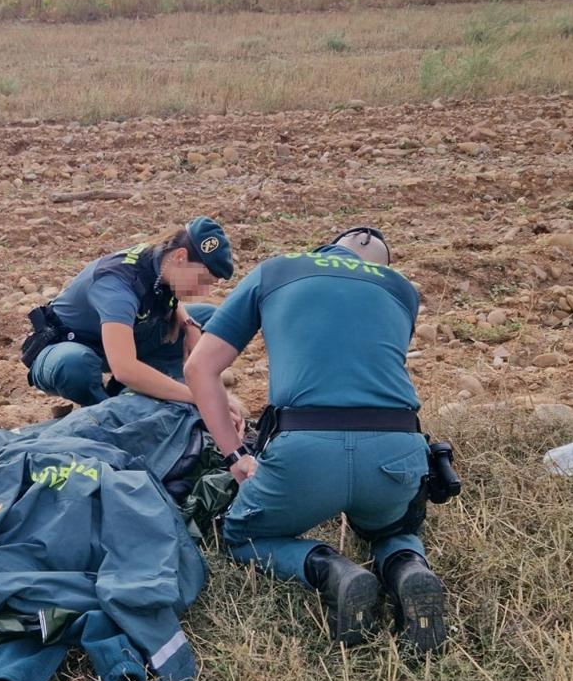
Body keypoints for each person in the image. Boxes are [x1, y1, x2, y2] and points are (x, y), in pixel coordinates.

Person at [183, 227, 448, 656]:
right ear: (379, 267)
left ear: (326, 248)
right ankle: (406, 566)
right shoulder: (401, 290)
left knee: (243, 535)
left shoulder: (277, 271)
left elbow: (199, 369)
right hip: (394, 450)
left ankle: (331, 570)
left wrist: (235, 454)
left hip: (304, 451)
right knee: (394, 527)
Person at [22, 217, 234, 409]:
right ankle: (104, 410)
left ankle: (139, 390)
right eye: (202, 281)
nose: (204, 291)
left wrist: (189, 326)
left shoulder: (160, 257)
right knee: (76, 364)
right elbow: (124, 368)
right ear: (180, 257)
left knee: (211, 321)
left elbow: (163, 293)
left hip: (120, 338)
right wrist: (200, 396)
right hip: (63, 348)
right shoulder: (118, 287)